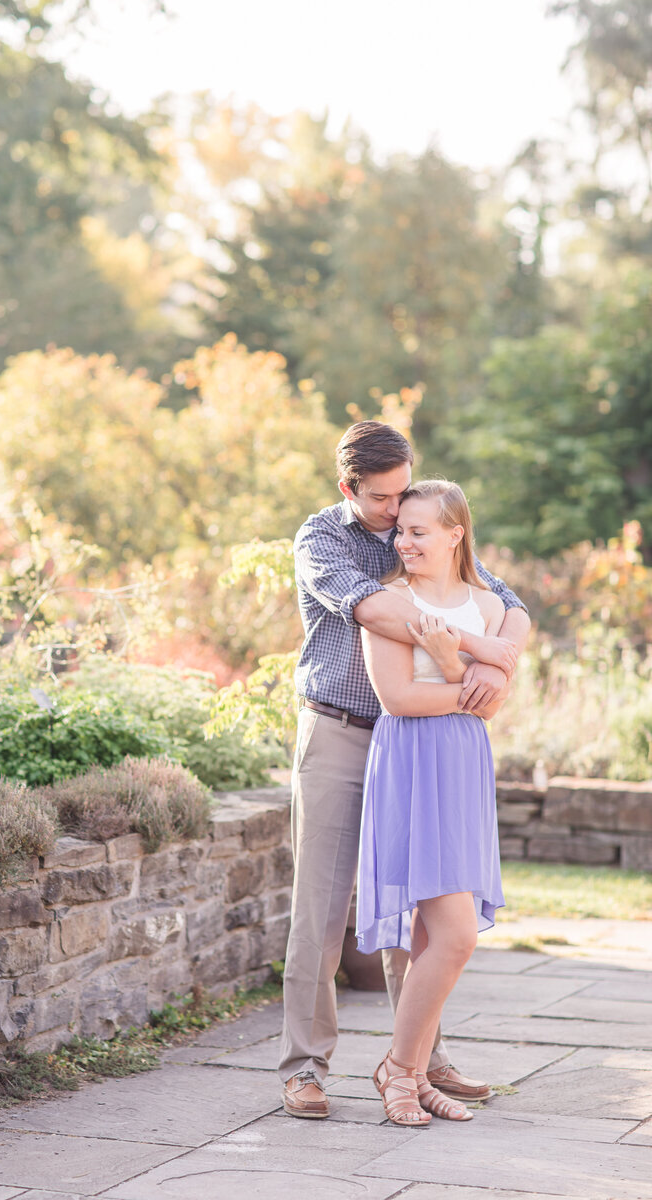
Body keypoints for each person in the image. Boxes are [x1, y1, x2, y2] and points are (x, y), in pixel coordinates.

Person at [279, 422, 530, 1120]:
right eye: (384, 500)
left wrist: (498, 666)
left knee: (419, 911)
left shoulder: (418, 519)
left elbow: (505, 599)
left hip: (417, 745)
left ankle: (421, 1060)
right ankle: (304, 1067)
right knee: (321, 916)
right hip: (341, 732)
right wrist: (482, 657)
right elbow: (383, 611)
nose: (397, 514)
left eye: (403, 494)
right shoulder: (323, 539)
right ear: (348, 489)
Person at [357, 479, 512, 1126]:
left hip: (462, 769)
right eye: (402, 530)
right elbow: (397, 699)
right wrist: (461, 677)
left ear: (456, 533)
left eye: (419, 531)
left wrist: (454, 664)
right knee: (454, 936)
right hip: (411, 761)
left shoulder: (490, 608)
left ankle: (413, 1075)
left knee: (431, 937)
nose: (404, 540)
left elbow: (495, 699)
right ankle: (397, 1069)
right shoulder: (390, 603)